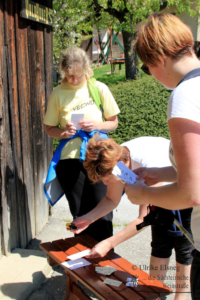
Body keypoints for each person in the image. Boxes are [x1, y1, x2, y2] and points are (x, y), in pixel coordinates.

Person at [123, 13, 200, 300]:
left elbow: (191, 193)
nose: (150, 74)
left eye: (146, 67)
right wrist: (163, 172)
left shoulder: (185, 96)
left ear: (160, 58)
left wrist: (144, 194)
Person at [70, 135, 193, 300]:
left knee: (184, 249)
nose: (105, 183)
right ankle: (155, 293)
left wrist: (108, 243)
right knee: (160, 244)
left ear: (118, 166)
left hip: (182, 191)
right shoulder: (115, 161)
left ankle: (181, 297)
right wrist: (89, 218)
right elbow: (111, 199)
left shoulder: (146, 163)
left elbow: (144, 219)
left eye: (106, 179)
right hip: (160, 187)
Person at [44, 47, 120, 242]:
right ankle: (82, 263)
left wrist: (96, 125)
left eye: (78, 75)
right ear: (63, 71)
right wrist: (64, 132)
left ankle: (104, 257)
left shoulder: (98, 88)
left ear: (86, 70)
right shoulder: (57, 93)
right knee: (78, 211)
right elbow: (49, 128)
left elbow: (113, 122)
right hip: (69, 162)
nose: (74, 80)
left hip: (98, 157)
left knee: (102, 209)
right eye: (70, 76)